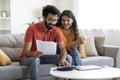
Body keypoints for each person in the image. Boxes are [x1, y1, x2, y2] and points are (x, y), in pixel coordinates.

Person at [19, 5, 72, 80]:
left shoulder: (56, 30)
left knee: (68, 57)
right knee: (35, 59)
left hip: (45, 57)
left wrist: (63, 59)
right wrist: (33, 53)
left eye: (55, 20)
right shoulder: (32, 29)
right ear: (44, 17)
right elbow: (25, 51)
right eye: (50, 19)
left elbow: (63, 48)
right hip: (28, 58)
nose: (52, 23)